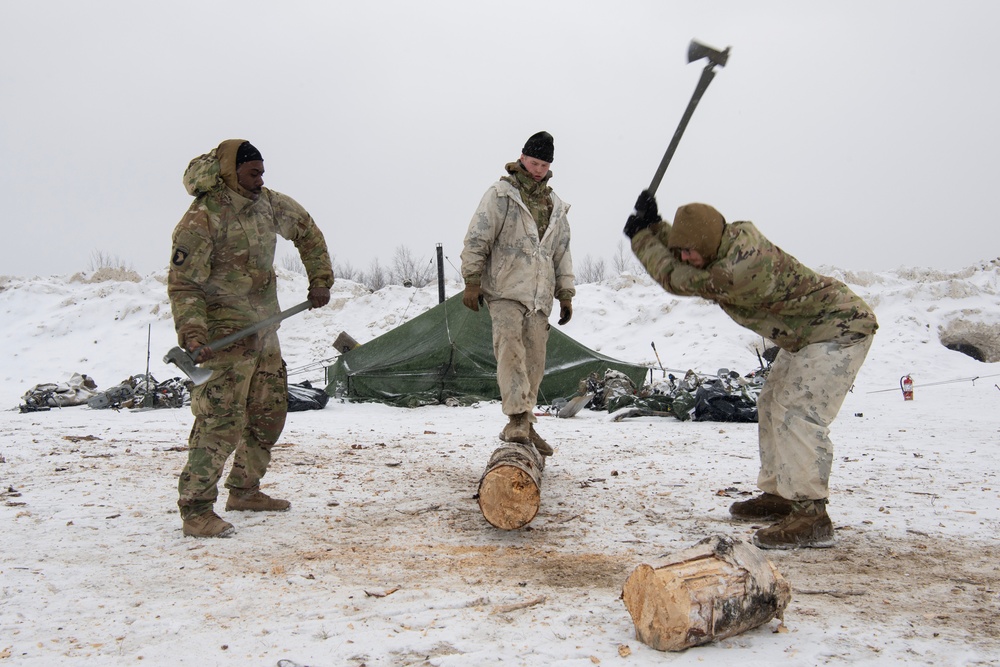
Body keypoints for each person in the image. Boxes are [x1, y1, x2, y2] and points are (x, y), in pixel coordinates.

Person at [624, 192, 877, 549]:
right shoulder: (727, 237)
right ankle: (781, 494)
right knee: (771, 403)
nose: (685, 257)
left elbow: (676, 278)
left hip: (840, 327)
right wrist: (655, 226)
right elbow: (692, 250)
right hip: (806, 332)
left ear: (710, 244)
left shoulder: (736, 270)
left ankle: (811, 514)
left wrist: (641, 239)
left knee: (798, 411)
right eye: (681, 250)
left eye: (689, 251)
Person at [168, 139, 334, 538]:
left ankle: (244, 489)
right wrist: (192, 334)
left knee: (268, 414)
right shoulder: (202, 218)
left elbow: (308, 231)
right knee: (220, 422)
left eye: (262, 172)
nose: (260, 180)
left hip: (265, 330)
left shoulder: (269, 204)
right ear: (229, 173)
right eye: (252, 173)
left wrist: (320, 278)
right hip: (223, 336)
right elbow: (184, 286)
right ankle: (195, 509)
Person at [460, 131, 575, 457]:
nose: (539, 169)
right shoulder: (501, 196)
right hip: (505, 290)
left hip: (540, 297)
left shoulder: (555, 206)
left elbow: (562, 253)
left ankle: (527, 422)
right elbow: (476, 239)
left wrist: (565, 293)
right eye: (534, 162)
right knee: (511, 353)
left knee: (535, 361)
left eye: (544, 164)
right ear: (522, 158)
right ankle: (515, 420)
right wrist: (472, 279)